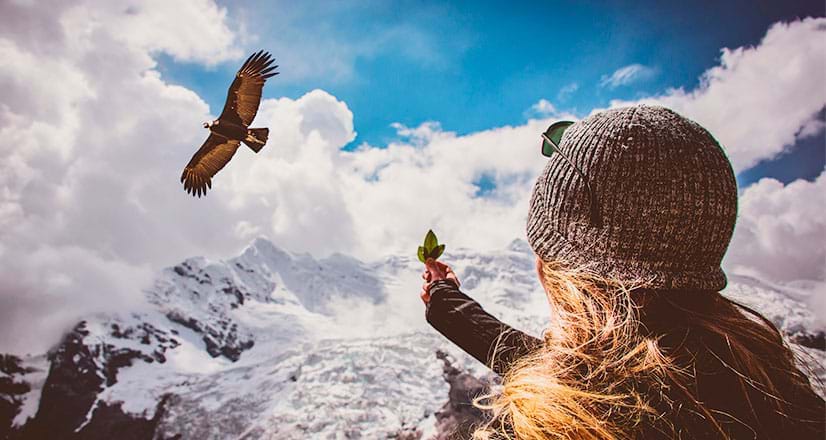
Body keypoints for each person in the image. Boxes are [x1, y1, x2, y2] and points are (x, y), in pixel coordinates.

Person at [420, 105, 825, 439]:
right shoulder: (774, 388)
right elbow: (595, 376)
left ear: (561, 267)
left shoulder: (559, 427)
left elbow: (593, 386)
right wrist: (449, 304)